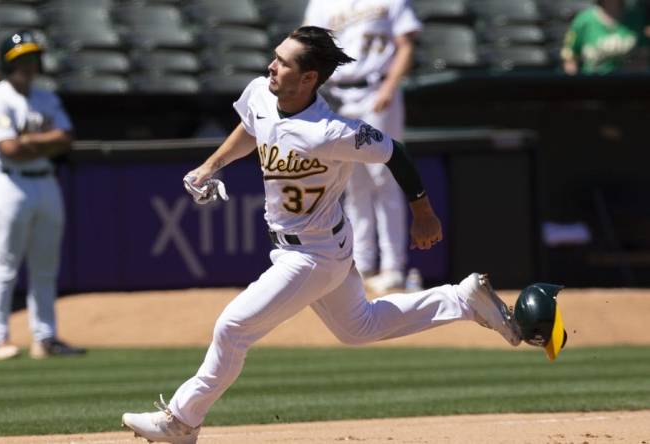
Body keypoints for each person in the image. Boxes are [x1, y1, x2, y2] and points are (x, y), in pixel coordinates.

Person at [121, 26, 521, 444]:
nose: (271, 66)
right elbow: (251, 126)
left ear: (309, 78)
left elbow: (394, 152)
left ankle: (181, 422)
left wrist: (423, 212)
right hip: (311, 244)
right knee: (359, 328)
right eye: (275, 57)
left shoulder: (329, 130)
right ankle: (461, 299)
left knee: (233, 327)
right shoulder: (261, 92)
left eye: (283, 62)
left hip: (314, 254)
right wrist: (211, 165)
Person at [0, 30, 85, 361]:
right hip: (8, 183)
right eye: (20, 59)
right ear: (7, 65)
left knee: (45, 267)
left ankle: (45, 338)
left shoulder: (45, 97)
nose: (28, 65)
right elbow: (9, 149)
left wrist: (29, 140)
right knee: (4, 263)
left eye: (32, 58)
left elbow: (66, 137)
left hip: (45, 182)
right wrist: (42, 140)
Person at [303, 0, 422, 292]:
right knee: (352, 183)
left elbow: (406, 44)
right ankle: (362, 264)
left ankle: (393, 267)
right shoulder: (321, 4)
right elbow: (308, 47)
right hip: (338, 96)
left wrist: (390, 87)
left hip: (377, 91)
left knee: (385, 177)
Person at [562, 0, 648, 75]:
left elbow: (644, 54)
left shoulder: (636, 17)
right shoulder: (583, 20)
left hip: (629, 84)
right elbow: (570, 58)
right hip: (592, 84)